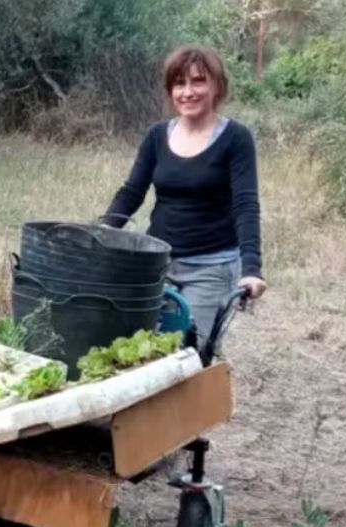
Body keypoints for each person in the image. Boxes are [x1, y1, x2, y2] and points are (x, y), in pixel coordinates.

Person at [102, 45, 267, 353]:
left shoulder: (236, 138)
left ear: (217, 85)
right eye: (179, 83)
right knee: (140, 351)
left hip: (211, 268)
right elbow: (132, 192)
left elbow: (246, 204)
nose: (187, 92)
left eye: (198, 81)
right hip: (158, 264)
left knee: (186, 354)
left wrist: (252, 269)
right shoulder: (156, 136)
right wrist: (99, 235)